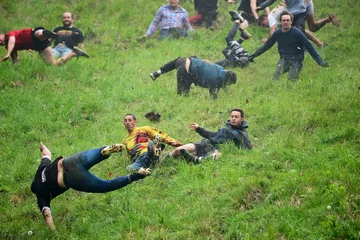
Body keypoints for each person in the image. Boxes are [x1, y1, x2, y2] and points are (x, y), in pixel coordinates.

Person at [31, 142, 151, 231]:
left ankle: (137, 175)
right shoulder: (41, 169)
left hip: (72, 178)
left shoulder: (41, 196)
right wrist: (40, 144)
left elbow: (47, 214)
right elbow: (46, 153)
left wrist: (54, 232)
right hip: (68, 161)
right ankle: (104, 151)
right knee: (98, 154)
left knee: (106, 185)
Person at [249, 11, 329, 81]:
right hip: (284, 59)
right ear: (281, 22)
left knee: (292, 80)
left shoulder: (297, 33)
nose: (286, 22)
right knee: (275, 79)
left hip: (296, 59)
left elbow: (309, 46)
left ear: (291, 22)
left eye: (288, 20)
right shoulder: (277, 33)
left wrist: (320, 62)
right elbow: (266, 46)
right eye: (284, 20)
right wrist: (252, 56)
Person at [166, 108, 252, 164]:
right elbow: (214, 135)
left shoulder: (242, 134)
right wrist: (198, 129)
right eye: (232, 116)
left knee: (217, 155)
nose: (233, 118)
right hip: (205, 145)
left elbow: (247, 149)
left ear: (242, 118)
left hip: (217, 151)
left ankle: (196, 160)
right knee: (178, 150)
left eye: (236, 117)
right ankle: (161, 164)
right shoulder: (226, 127)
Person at [150, 56, 237, 98]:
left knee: (176, 61)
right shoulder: (216, 82)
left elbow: (207, 65)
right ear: (227, 80)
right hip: (186, 71)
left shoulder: (220, 68)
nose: (228, 85)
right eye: (229, 83)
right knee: (183, 96)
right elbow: (213, 94)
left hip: (187, 60)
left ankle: (157, 73)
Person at [0, 27, 70, 65]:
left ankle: (47, 34)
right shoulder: (9, 47)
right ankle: (72, 54)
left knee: (39, 34)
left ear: (2, 34)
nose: (0, 42)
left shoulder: (9, 35)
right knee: (52, 65)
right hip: (39, 46)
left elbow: (12, 40)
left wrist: (8, 54)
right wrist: (15, 69)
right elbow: (16, 60)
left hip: (32, 34)